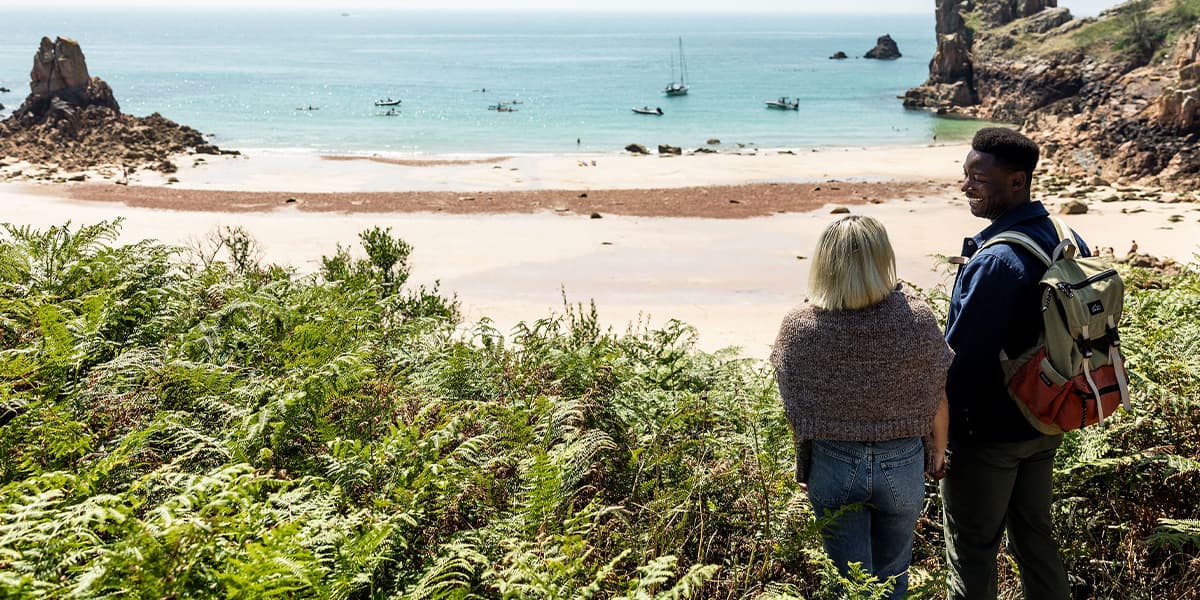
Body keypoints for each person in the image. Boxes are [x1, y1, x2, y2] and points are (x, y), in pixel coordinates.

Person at [772, 215, 951, 599]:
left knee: (849, 586)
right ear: (883, 258)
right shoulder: (916, 318)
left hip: (832, 463)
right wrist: (938, 453)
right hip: (902, 462)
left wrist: (805, 463)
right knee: (892, 580)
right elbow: (937, 393)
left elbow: (797, 409)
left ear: (823, 262)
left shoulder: (798, 326)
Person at [942, 127, 1087, 599]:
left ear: (1018, 181)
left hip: (987, 436)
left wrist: (938, 431)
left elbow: (960, 362)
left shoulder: (998, 261)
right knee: (1036, 539)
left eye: (978, 179)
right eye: (965, 175)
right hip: (1046, 418)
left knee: (972, 550)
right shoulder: (1065, 237)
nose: (965, 186)